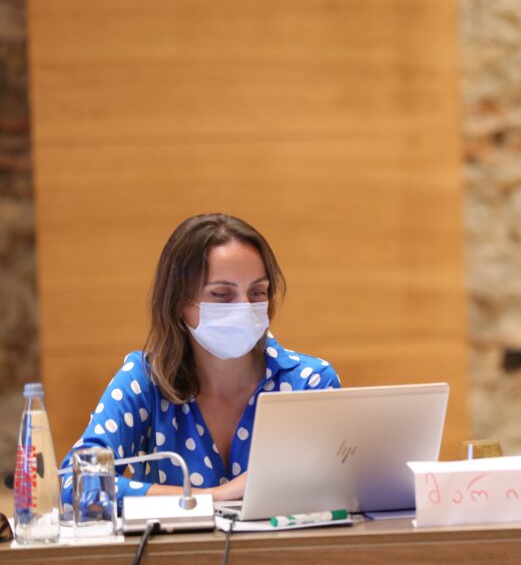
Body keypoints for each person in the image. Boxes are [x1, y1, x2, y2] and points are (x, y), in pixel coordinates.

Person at [59, 214, 340, 510]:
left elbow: (345, 490)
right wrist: (210, 497)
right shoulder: (145, 381)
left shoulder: (310, 383)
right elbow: (76, 484)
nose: (245, 307)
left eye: (257, 292)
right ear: (180, 302)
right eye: (222, 294)